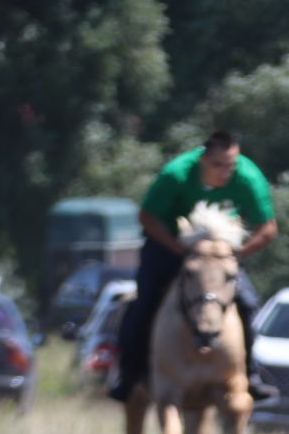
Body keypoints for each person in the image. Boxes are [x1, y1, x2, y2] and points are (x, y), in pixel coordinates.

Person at [109, 131, 279, 403]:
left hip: (219, 252)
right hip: (168, 247)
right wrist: (180, 250)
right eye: (218, 165)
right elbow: (147, 217)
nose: (226, 172)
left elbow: (268, 229)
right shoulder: (176, 174)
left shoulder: (248, 177)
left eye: (231, 165)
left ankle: (249, 374)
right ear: (203, 159)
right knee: (145, 303)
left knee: (247, 303)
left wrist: (236, 254)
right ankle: (129, 374)